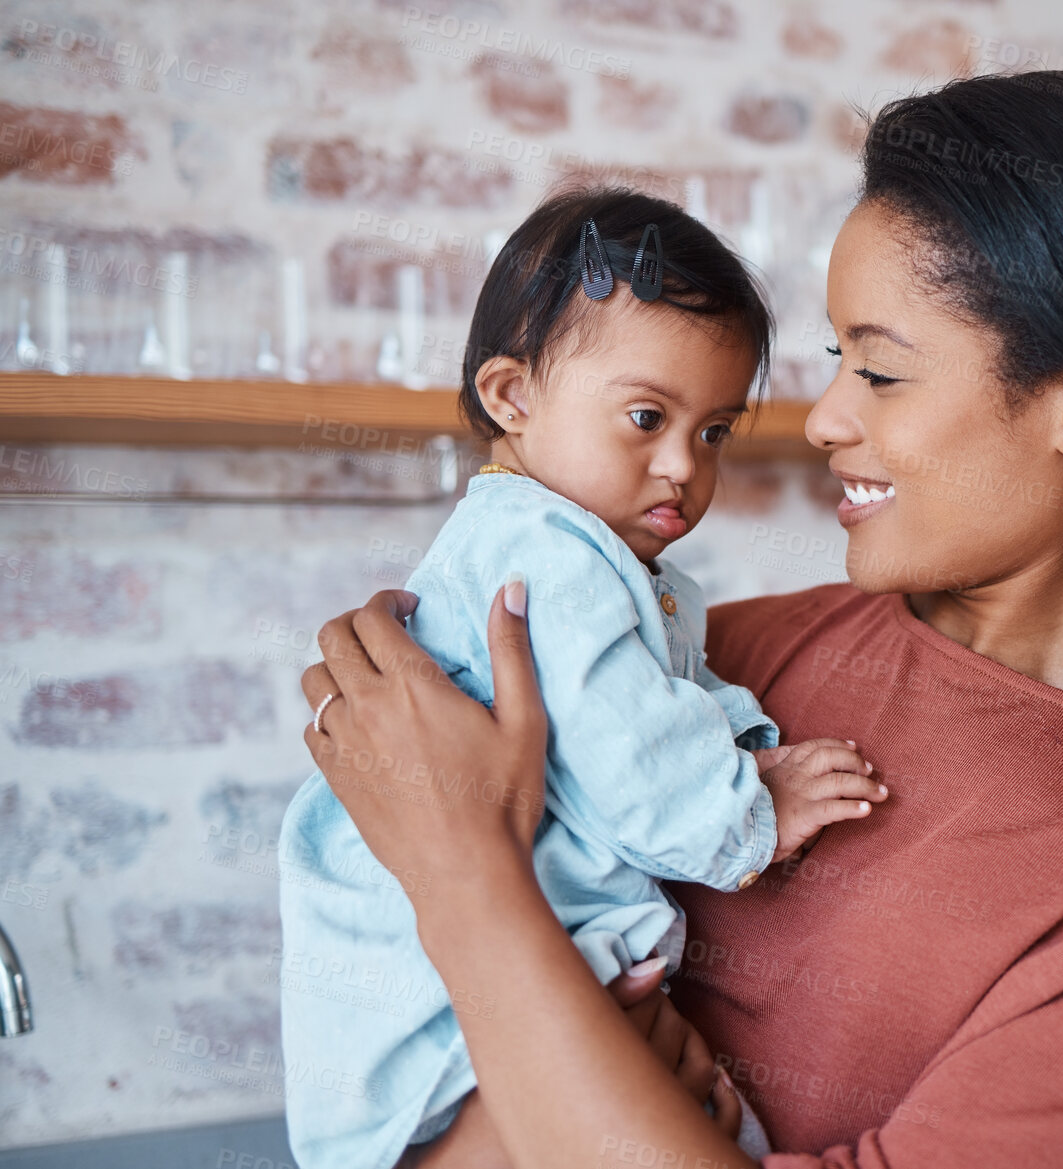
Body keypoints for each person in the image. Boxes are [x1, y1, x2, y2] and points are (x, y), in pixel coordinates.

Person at [300, 70, 1063, 1169]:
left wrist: (462, 871)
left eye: (880, 370)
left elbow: (466, 885)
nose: (823, 419)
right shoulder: (737, 655)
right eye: (835, 361)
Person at [276, 187, 887, 1169]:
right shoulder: (547, 550)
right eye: (647, 417)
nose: (684, 465)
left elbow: (666, 690)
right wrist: (752, 806)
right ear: (514, 397)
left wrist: (738, 738)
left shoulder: (600, 556)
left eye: (715, 431)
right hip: (434, 973)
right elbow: (629, 747)